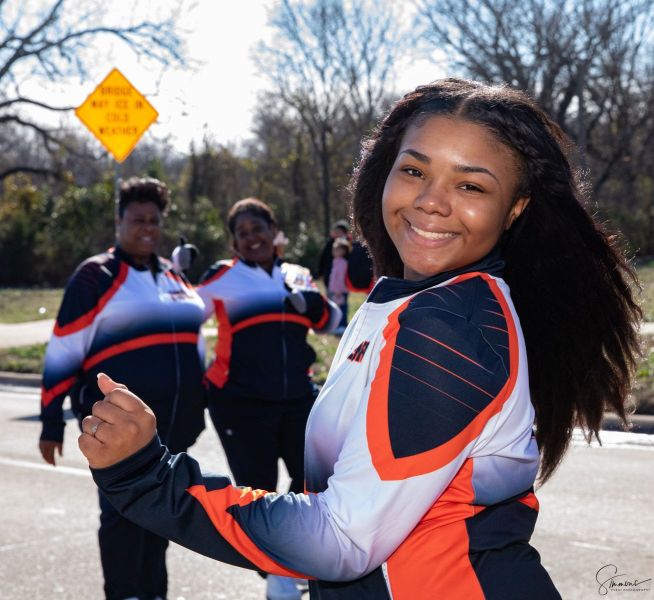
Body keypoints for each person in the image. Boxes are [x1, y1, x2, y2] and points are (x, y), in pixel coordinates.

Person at [78, 79, 641, 599]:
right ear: (385, 171)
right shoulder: (423, 299)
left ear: (515, 207)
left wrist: (148, 478)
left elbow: (339, 541)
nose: (431, 200)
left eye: (470, 184)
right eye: (415, 171)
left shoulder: (449, 325)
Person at [40, 176, 206, 600]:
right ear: (119, 221)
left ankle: (152, 594)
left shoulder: (173, 275)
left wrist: (199, 403)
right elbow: (62, 352)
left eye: (154, 220)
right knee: (122, 518)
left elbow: (196, 342)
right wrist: (50, 422)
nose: (147, 228)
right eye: (137, 220)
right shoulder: (96, 275)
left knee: (162, 517)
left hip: (173, 426)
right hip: (117, 426)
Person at [194, 198, 341, 599]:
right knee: (257, 494)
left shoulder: (298, 274)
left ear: (273, 231)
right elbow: (183, 315)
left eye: (257, 228)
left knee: (313, 485)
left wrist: (316, 304)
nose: (251, 238)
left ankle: (290, 566)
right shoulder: (223, 278)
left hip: (298, 399)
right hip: (239, 405)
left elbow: (332, 323)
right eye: (242, 234)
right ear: (234, 244)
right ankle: (279, 580)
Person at [316, 219, 349, 290]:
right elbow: (323, 257)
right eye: (336, 231)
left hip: (344, 280)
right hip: (329, 275)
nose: (337, 233)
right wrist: (320, 271)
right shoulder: (330, 243)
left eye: (340, 231)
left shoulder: (348, 244)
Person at [327, 236, 351, 334]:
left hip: (340, 290)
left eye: (336, 249)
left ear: (343, 251)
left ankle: (342, 325)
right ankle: (337, 325)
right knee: (337, 308)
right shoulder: (336, 261)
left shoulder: (342, 262)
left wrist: (338, 290)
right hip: (335, 290)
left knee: (342, 308)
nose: (333, 251)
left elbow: (341, 277)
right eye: (333, 249)